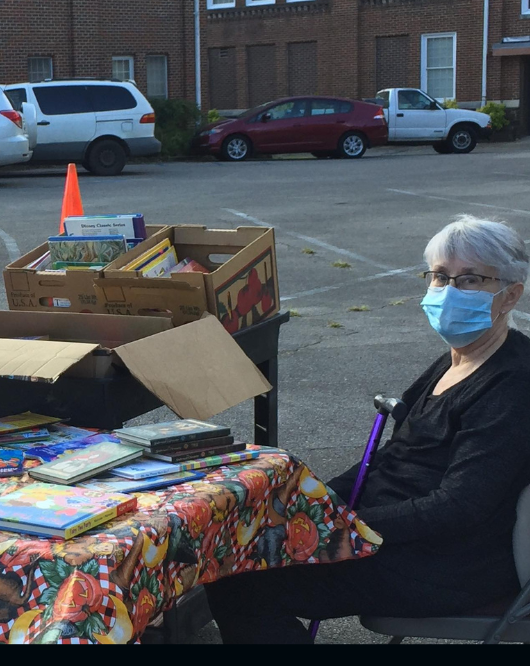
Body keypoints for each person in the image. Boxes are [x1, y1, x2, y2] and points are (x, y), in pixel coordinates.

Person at [205, 214, 530, 643]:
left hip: (447, 564)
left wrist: (347, 526)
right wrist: (312, 499)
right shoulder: (460, 358)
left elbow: (460, 506)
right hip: (400, 537)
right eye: (439, 276)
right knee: (238, 552)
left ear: (510, 295)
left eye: (470, 280)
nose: (449, 291)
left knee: (243, 582)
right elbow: (396, 457)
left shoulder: (512, 383)